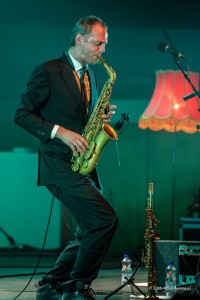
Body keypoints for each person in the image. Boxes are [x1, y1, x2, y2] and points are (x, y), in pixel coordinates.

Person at [14, 15, 119, 300]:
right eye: (99, 43)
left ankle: (52, 283)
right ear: (79, 39)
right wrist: (61, 132)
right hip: (58, 164)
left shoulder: (92, 75)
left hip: (80, 164)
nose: (103, 50)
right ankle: (77, 286)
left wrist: (100, 117)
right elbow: (22, 115)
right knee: (104, 220)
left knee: (89, 227)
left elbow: (83, 117)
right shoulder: (48, 70)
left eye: (104, 44)